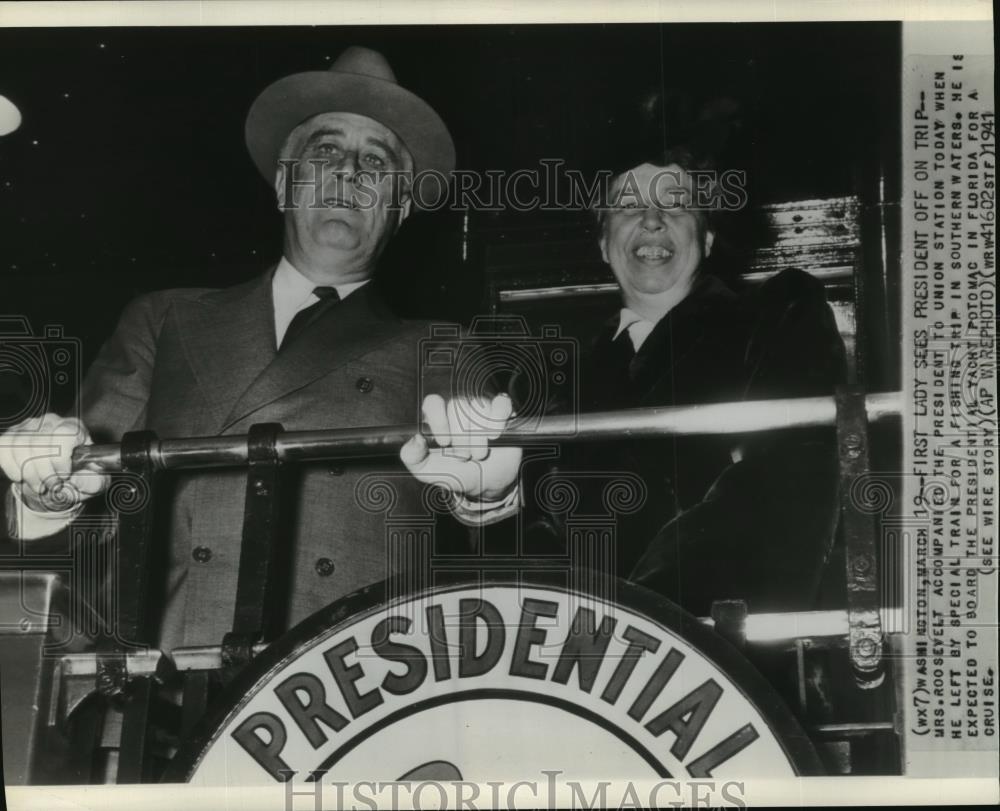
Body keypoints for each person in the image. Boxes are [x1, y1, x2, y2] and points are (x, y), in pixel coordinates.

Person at [0, 46, 455, 651]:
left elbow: (482, 549)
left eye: (376, 162)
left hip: (344, 701)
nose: (349, 172)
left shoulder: (444, 350)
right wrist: (48, 488)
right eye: (325, 151)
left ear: (398, 208)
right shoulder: (165, 318)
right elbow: (88, 493)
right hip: (153, 692)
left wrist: (492, 498)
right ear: (284, 185)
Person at [402, 147, 848, 617]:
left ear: (709, 237)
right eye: (629, 205)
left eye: (676, 205)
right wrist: (495, 504)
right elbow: (514, 580)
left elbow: (786, 496)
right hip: (579, 669)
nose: (652, 220)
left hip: (721, 661)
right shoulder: (542, 381)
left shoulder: (780, 315)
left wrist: (629, 624)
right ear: (602, 243)